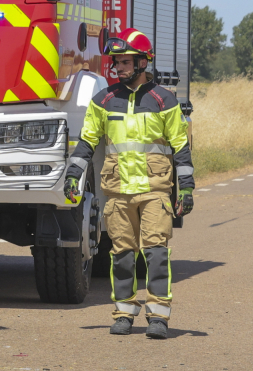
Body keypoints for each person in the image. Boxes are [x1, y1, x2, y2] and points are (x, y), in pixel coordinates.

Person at [64, 28, 194, 340]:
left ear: (142, 63)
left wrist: (186, 187)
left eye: (125, 62)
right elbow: (86, 143)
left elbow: (181, 147)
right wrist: (73, 175)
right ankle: (124, 312)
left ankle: (158, 315)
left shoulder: (164, 101)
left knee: (155, 252)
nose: (118, 67)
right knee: (122, 253)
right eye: (117, 62)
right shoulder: (104, 100)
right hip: (118, 190)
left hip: (155, 189)